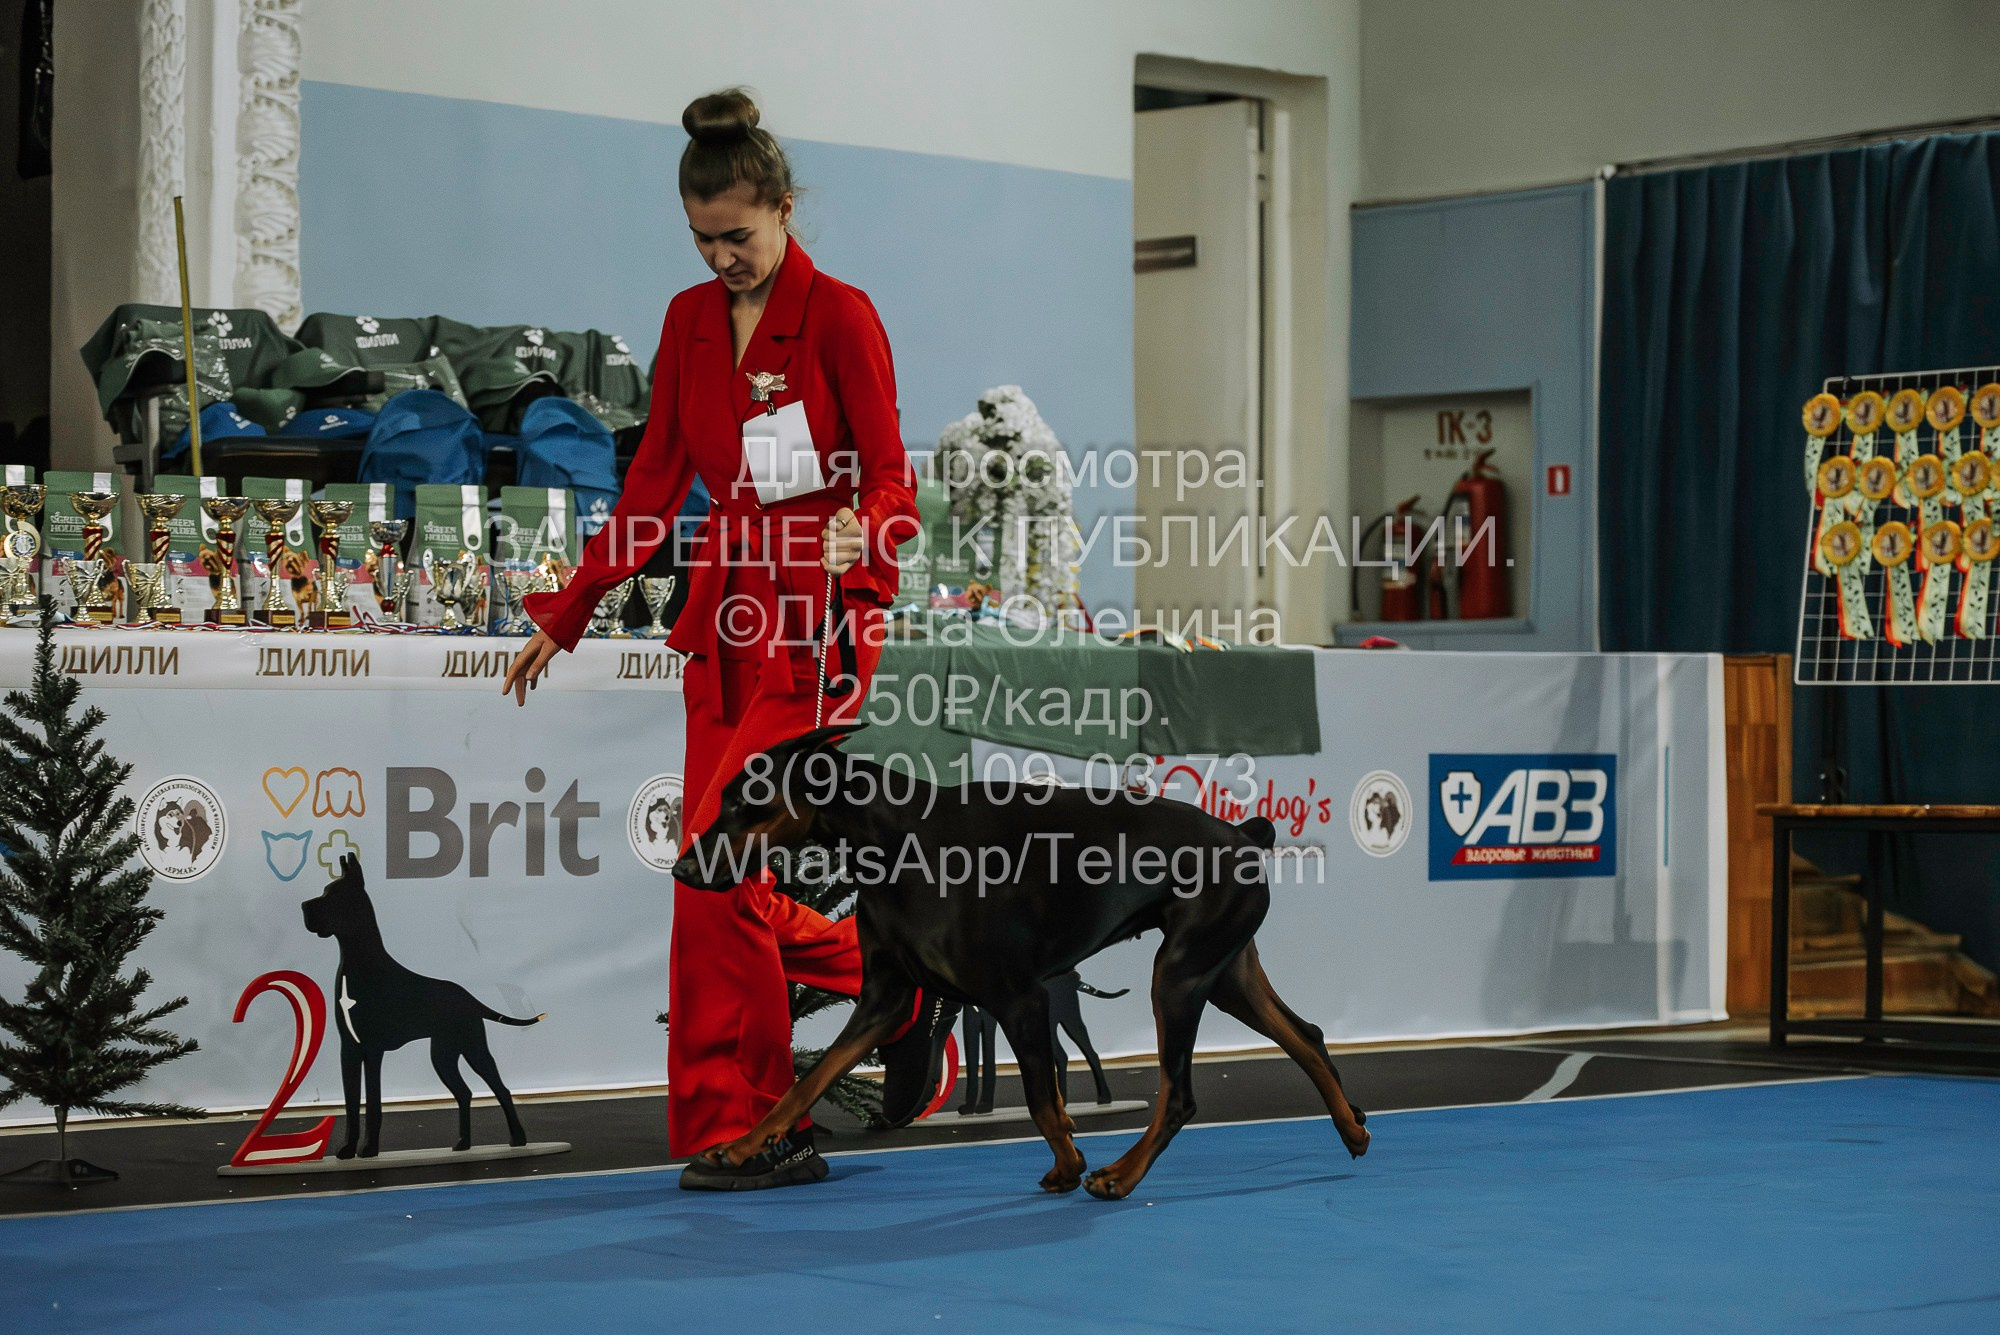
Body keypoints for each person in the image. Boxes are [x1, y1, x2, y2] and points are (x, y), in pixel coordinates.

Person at [502, 87, 953, 1190]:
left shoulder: (841, 316)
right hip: (724, 625)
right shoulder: (688, 321)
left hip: (818, 629)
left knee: (713, 869)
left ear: (785, 210)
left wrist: (866, 525)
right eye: (702, 240)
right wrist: (572, 606)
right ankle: (902, 988)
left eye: (738, 237)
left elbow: (895, 479)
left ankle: (761, 1121)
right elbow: (655, 480)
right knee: (714, 881)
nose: (721, 259)